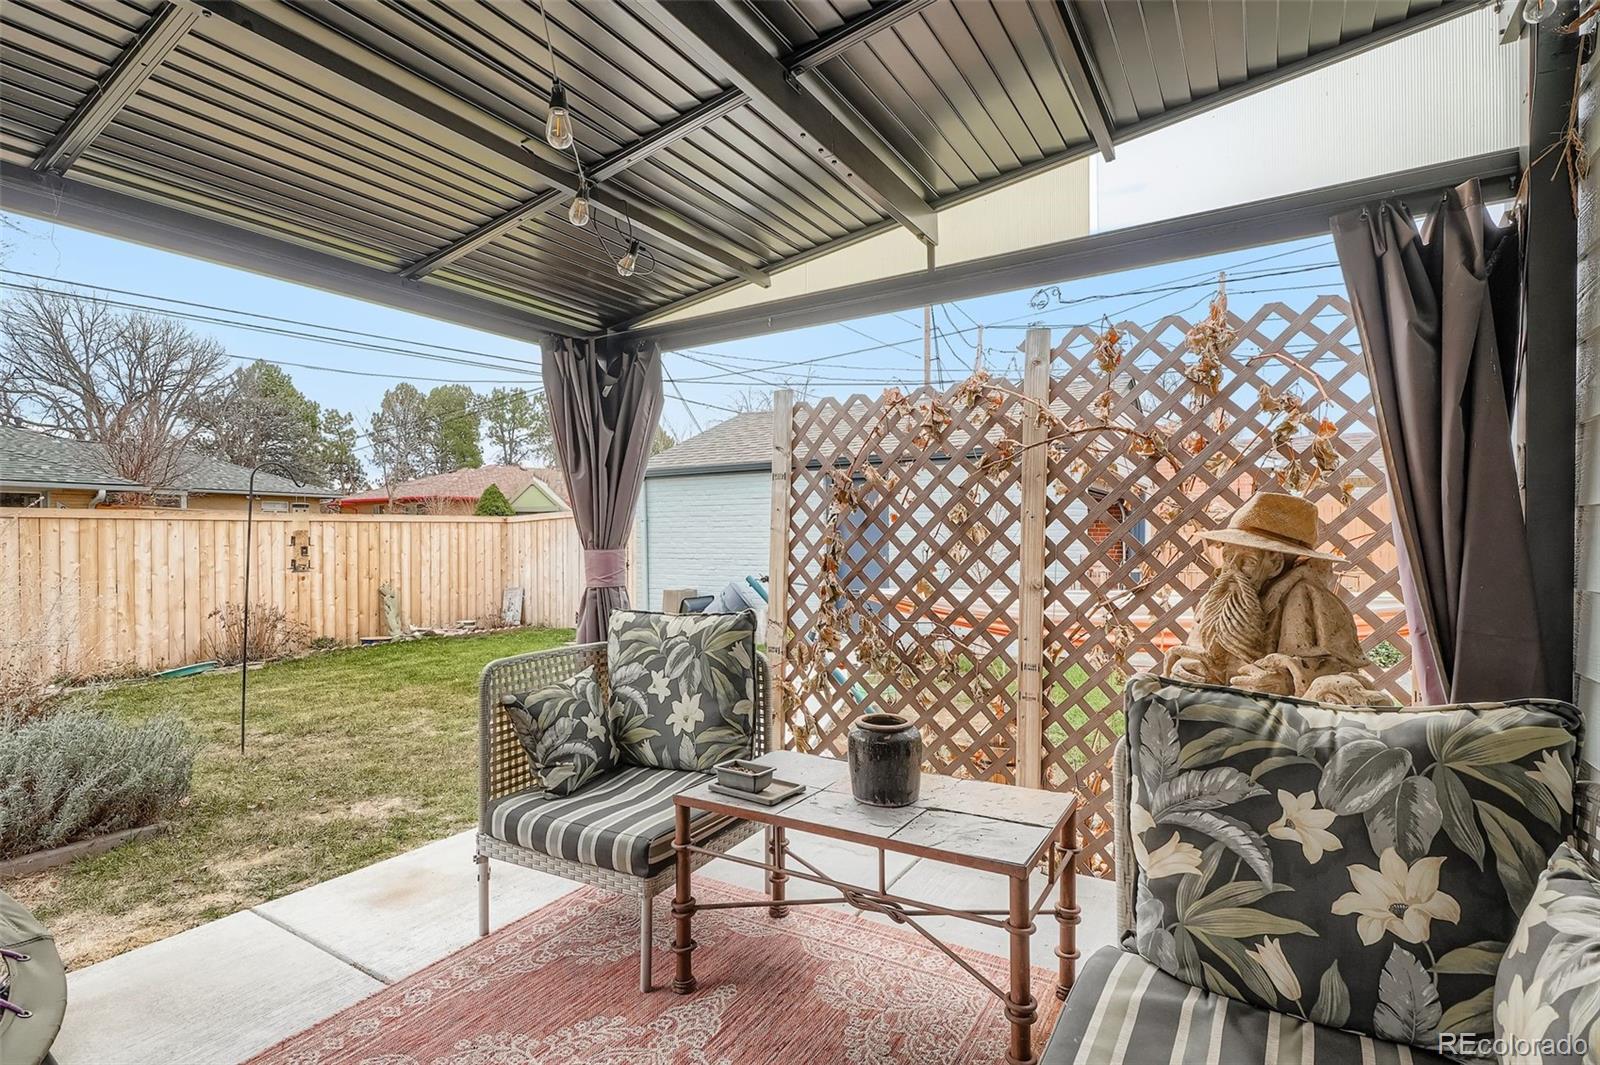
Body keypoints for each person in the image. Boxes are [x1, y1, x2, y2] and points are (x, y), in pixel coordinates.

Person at [1164, 492, 1390, 705]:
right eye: (1228, 557)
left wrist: (1289, 681)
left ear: (1275, 564)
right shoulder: (1220, 598)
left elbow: (1343, 671)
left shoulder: (1315, 601)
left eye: (1247, 561)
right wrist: (1190, 667)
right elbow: (1202, 655)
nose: (1232, 569)